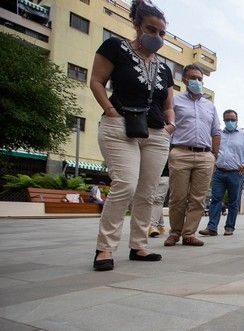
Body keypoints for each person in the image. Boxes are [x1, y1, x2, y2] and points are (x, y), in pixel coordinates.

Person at [89, 0, 174, 271]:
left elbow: (168, 103)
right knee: (125, 184)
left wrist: (170, 124)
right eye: (152, 30)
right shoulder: (115, 47)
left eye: (162, 33)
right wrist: (111, 110)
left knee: (147, 192)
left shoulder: (163, 67)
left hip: (156, 132)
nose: (157, 37)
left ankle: (139, 245)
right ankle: (105, 247)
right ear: (137, 25)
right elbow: (96, 81)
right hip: (120, 125)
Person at [163, 65, 221, 247]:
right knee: (178, 196)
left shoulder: (210, 106)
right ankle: (174, 232)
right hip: (180, 152)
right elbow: (167, 123)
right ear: (185, 80)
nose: (197, 81)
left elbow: (216, 132)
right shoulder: (175, 101)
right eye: (193, 77)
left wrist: (214, 155)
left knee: (198, 198)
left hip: (205, 155)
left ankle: (189, 233)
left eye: (200, 78)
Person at [199, 110, 244, 236]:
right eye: (227, 120)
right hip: (219, 172)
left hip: (236, 173)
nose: (230, 122)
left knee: (233, 201)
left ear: (237, 120)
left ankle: (229, 227)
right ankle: (212, 228)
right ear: (224, 120)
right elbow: (211, 150)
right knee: (215, 200)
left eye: (232, 119)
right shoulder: (218, 135)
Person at [148, 162, 169, 237]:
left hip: (163, 174)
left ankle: (152, 226)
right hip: (148, 173)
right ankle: (160, 226)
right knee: (157, 200)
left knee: (157, 199)